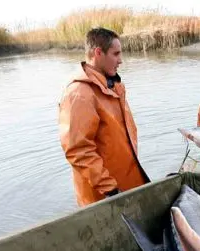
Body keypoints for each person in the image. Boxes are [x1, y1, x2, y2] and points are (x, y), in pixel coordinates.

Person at [59, 27, 149, 206]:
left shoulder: (112, 86)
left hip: (128, 188)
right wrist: (111, 190)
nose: (120, 60)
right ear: (98, 53)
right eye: (116, 54)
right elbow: (79, 151)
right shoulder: (79, 94)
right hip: (106, 198)